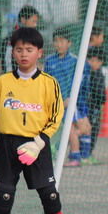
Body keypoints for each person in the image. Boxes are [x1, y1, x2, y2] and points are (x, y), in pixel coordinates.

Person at [0, 27, 78, 214]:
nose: (24, 54)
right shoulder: (3, 82)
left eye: (29, 50)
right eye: (19, 49)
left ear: (39, 53)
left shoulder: (48, 83)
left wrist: (39, 143)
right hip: (8, 144)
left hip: (36, 145)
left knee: (50, 194)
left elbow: (56, 117)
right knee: (4, 194)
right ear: (13, 52)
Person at [43, 27, 91, 168]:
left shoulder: (75, 60)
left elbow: (81, 81)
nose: (58, 44)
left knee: (80, 128)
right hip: (55, 102)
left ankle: (77, 155)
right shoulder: (49, 60)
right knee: (66, 129)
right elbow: (46, 81)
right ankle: (67, 152)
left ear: (69, 43)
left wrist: (72, 98)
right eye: (56, 41)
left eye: (62, 41)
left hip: (71, 102)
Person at [82, 46, 106, 165]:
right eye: (89, 60)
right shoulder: (85, 73)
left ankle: (88, 153)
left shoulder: (99, 74)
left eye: (94, 61)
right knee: (85, 129)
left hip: (95, 107)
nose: (91, 63)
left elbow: (102, 94)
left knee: (93, 130)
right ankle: (83, 154)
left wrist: (102, 100)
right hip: (86, 106)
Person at [2, 5, 39, 73]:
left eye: (36, 22)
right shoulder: (14, 36)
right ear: (23, 20)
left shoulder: (28, 35)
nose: (35, 25)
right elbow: (8, 61)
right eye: (33, 22)